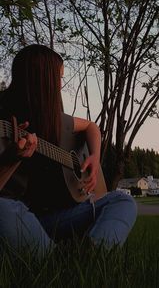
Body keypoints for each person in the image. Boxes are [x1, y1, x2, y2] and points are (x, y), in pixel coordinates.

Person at [0, 44, 137, 258]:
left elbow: (92, 126)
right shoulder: (4, 113)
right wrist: (11, 161)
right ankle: (57, 259)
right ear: (42, 80)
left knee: (122, 201)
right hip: (15, 214)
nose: (61, 86)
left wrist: (94, 158)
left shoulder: (51, 118)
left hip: (50, 218)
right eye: (58, 78)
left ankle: (90, 255)